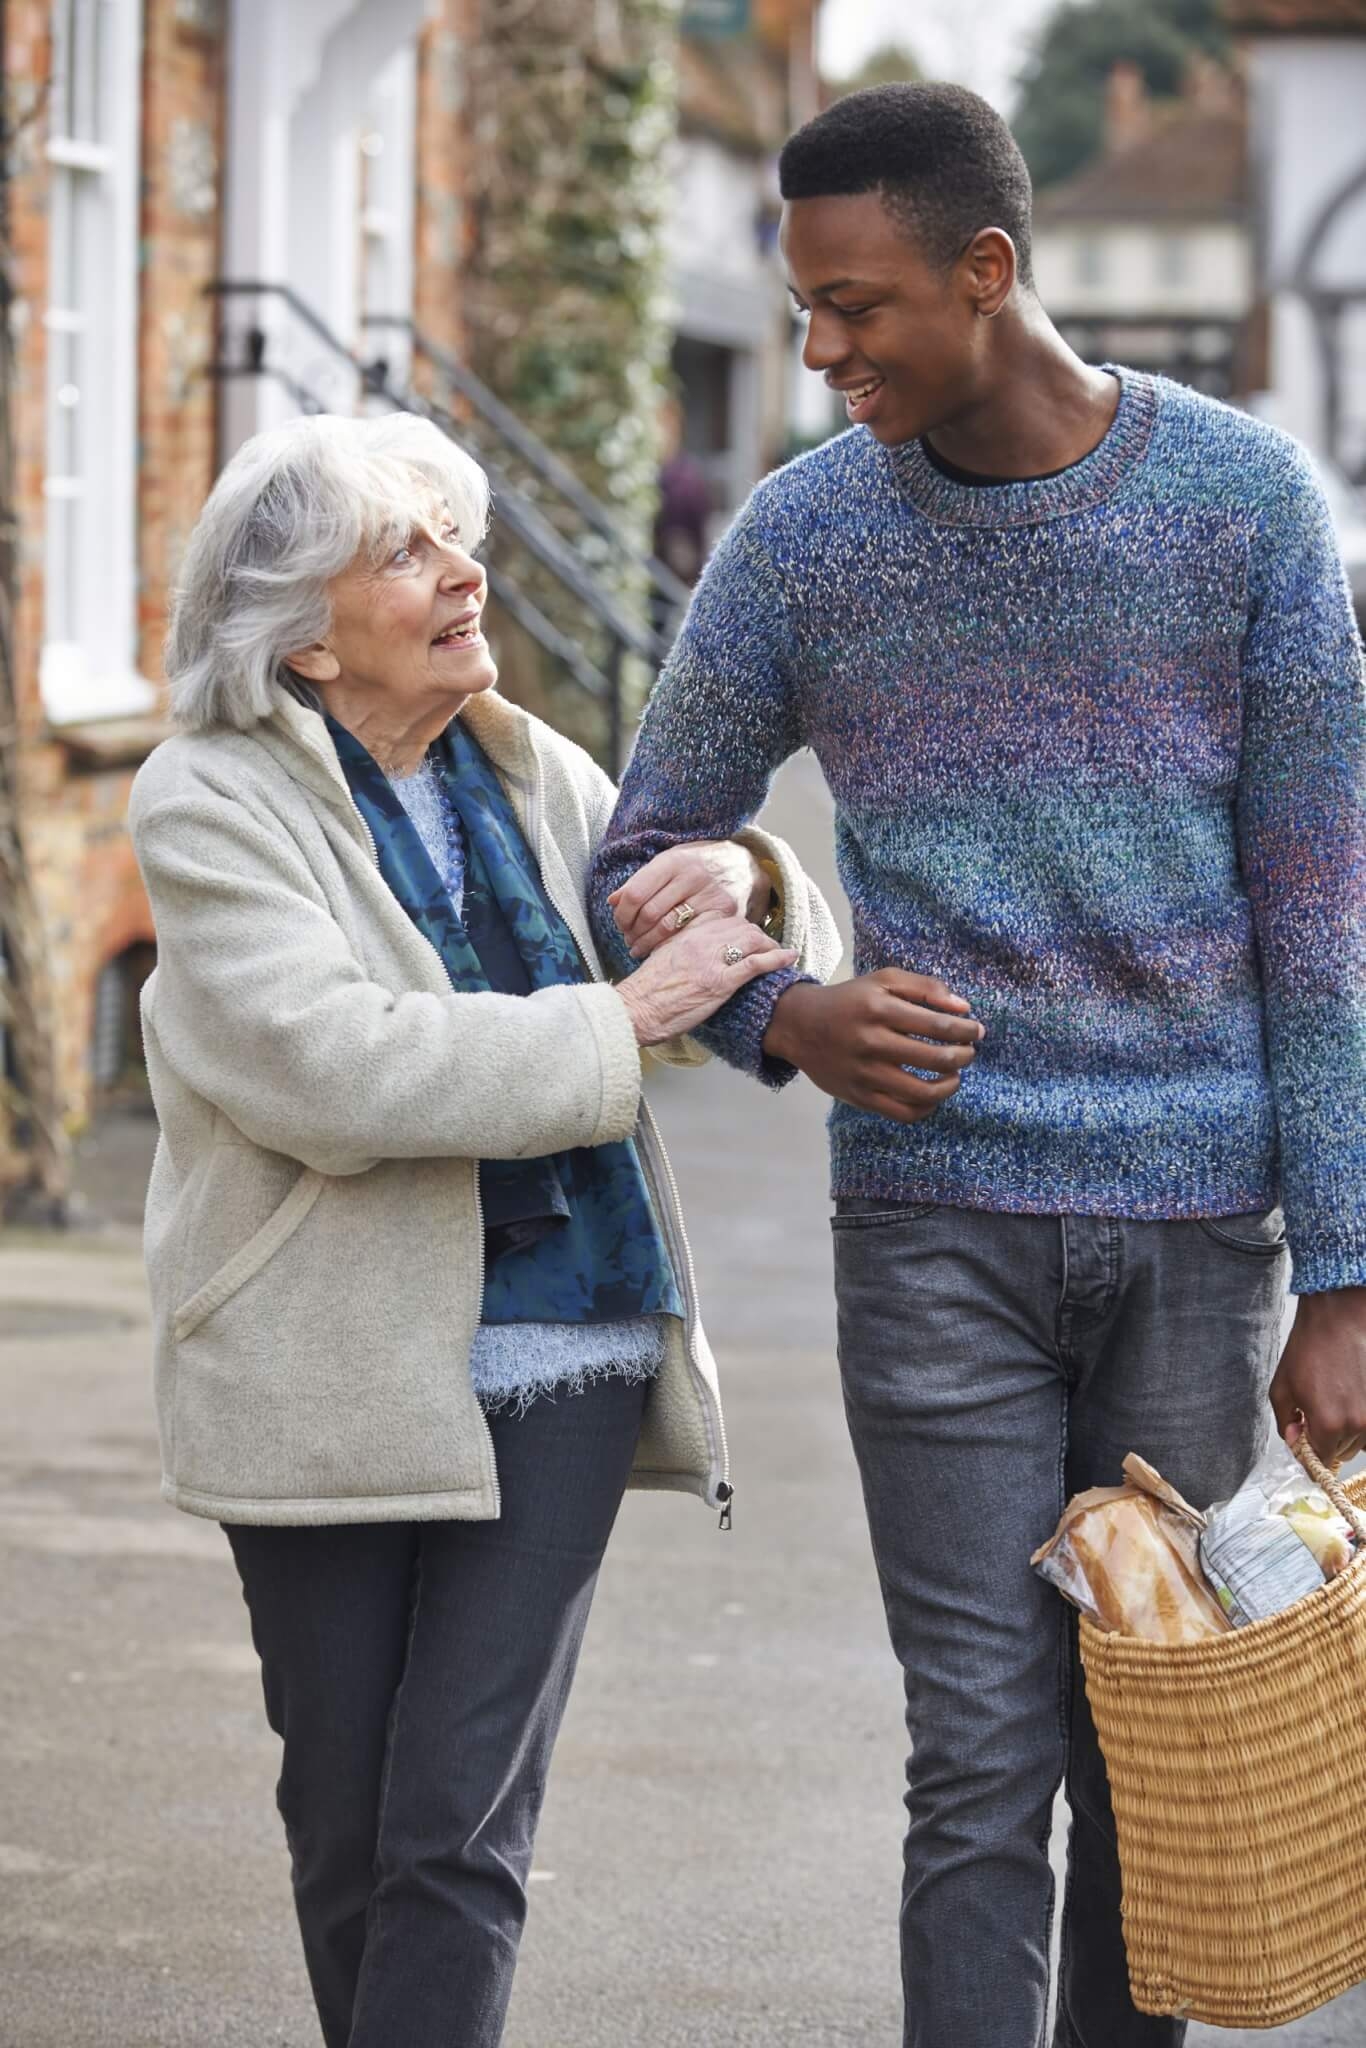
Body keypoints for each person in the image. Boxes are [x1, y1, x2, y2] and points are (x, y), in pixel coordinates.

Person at [590, 82, 1366, 2048]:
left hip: (1197, 1237)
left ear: (983, 269)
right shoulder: (799, 540)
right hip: (928, 1227)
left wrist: (1345, 1267)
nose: (820, 351)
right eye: (802, 314)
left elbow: (1320, 912)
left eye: (855, 307)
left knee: (1147, 1733)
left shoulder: (1245, 508)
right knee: (973, 1751)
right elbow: (633, 850)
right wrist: (785, 1015)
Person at [128, 410, 839, 2048]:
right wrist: (621, 1014)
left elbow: (700, 953)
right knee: (346, 1822)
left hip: (573, 1356)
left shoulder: (535, 770)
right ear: (302, 641)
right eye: (408, 551)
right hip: (319, 1371)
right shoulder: (207, 802)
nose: (466, 574)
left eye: (458, 536)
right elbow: (334, 1068)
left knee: (455, 1828)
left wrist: (743, 883)